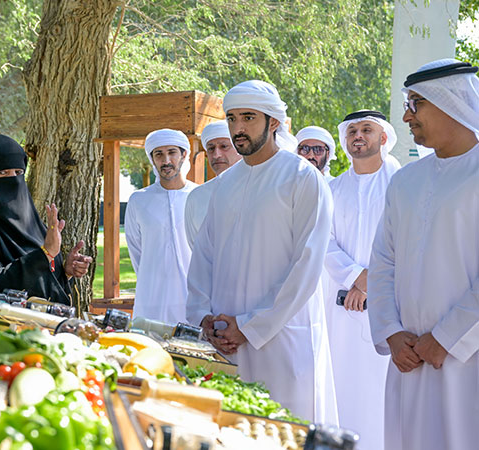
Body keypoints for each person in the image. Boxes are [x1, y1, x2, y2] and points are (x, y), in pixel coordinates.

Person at [186, 80, 337, 424]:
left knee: (285, 430)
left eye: (249, 118)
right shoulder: (225, 184)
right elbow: (203, 258)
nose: (238, 129)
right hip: (224, 338)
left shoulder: (302, 178)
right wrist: (203, 317)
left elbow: (307, 265)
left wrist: (252, 326)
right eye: (232, 118)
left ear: (274, 123)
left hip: (281, 338)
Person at [368, 59, 479, 450]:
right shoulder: (406, 181)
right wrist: (391, 333)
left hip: (467, 361)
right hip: (408, 359)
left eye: (416, 104)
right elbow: (383, 262)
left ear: (450, 101)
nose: (406, 116)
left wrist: (446, 338)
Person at [0, 134, 91, 305]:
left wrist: (64, 273)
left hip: (43, 328)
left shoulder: (34, 225)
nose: (13, 180)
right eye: (2, 172)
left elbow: (40, 284)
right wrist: (45, 255)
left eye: (18, 172)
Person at [325, 109, 399, 450]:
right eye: (352, 130)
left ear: (382, 137)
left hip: (390, 306)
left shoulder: (403, 182)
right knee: (342, 383)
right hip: (340, 307)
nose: (358, 135)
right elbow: (321, 241)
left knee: (384, 389)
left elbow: (410, 239)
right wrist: (356, 277)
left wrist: (371, 281)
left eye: (366, 129)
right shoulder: (332, 188)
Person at [125, 129, 197, 323]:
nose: (166, 160)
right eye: (159, 154)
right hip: (151, 298)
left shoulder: (200, 196)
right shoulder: (139, 200)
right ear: (152, 159)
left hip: (194, 298)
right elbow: (136, 250)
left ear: (184, 154)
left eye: (172, 152)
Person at [184, 120, 241, 248]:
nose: (216, 155)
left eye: (224, 146)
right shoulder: (196, 197)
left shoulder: (259, 188)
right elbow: (195, 248)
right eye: (211, 148)